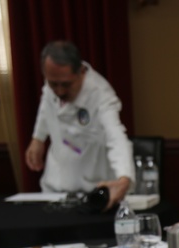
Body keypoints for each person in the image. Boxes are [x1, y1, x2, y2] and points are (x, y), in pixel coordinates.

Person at [25, 40, 134, 210]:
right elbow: (46, 105)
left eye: (66, 85)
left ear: (80, 72)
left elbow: (116, 136)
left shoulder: (101, 94)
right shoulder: (53, 82)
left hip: (89, 192)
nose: (59, 91)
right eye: (53, 84)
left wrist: (124, 178)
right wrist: (38, 137)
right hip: (53, 188)